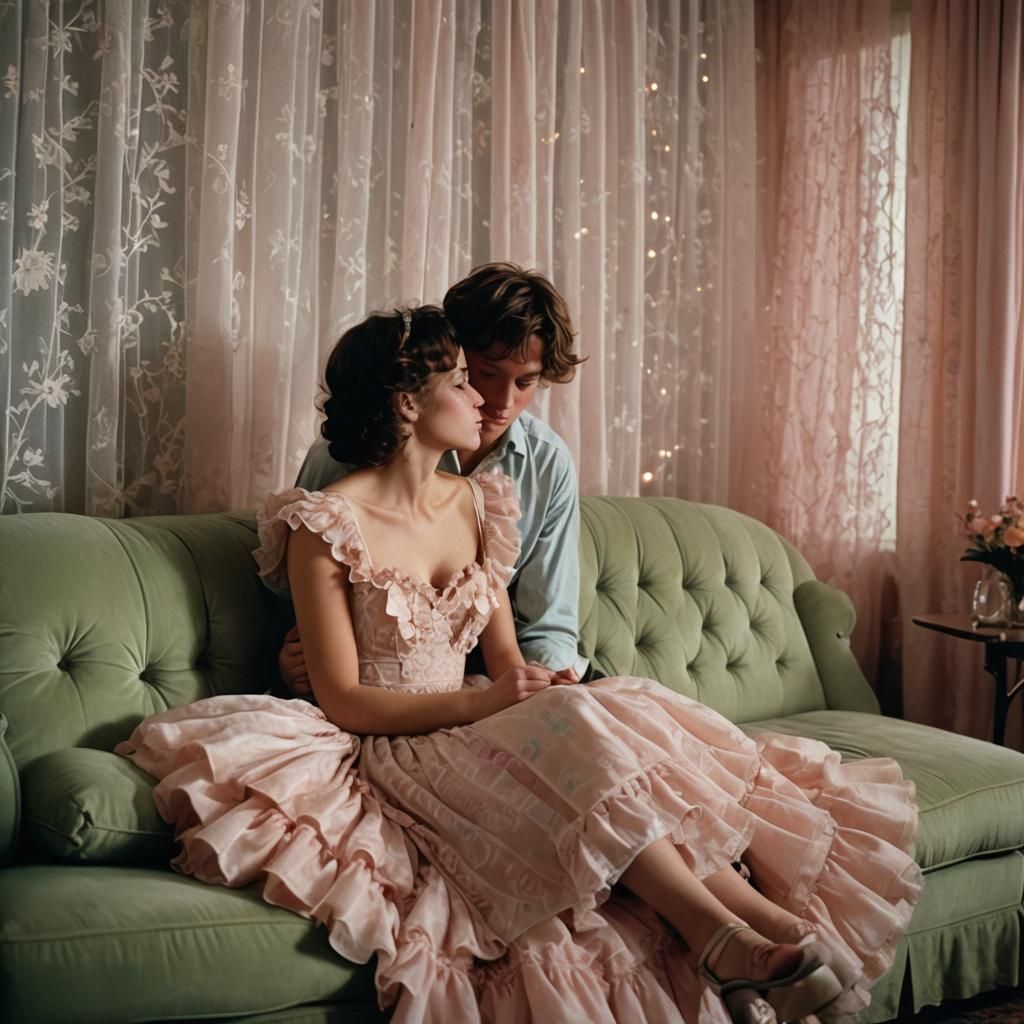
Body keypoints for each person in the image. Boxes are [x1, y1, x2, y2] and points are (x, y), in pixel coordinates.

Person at [117, 306, 922, 1024]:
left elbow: (506, 656)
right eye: (465, 383)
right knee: (574, 727)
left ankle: (748, 924)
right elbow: (348, 702)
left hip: (483, 711)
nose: (485, 402)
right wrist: (491, 702)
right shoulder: (322, 522)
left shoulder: (481, 505)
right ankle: (727, 934)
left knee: (607, 711)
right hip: (393, 739)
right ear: (408, 402)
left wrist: (526, 691)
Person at [278, 262, 588, 696]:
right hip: (373, 692)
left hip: (491, 684)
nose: (498, 401)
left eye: (526, 382)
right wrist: (293, 654)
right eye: (481, 375)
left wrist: (542, 688)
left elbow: (547, 624)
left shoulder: (523, 479)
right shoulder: (342, 465)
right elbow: (298, 603)